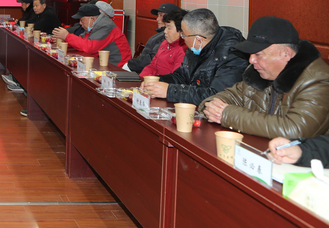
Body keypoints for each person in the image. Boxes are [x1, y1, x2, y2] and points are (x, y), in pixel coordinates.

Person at [200, 16, 329, 139]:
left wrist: (228, 115)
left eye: (258, 54)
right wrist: (212, 107)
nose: (251, 60)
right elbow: (225, 97)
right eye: (250, 54)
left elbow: (295, 129)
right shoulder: (257, 74)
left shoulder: (318, 81)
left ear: (286, 53)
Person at [143, 8, 246, 105]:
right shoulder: (196, 46)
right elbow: (182, 76)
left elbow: (217, 96)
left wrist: (170, 91)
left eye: (184, 35)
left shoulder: (233, 55)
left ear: (199, 39)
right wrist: (157, 81)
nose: (182, 38)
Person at [52, 4, 131, 66]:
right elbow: (83, 40)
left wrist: (67, 36)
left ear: (92, 19)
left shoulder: (106, 26)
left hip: (117, 66)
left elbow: (89, 47)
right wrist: (64, 41)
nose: (80, 23)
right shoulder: (93, 25)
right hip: (102, 63)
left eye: (82, 20)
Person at [127, 3, 181, 74]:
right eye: (158, 15)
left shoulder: (168, 39)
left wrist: (129, 64)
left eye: (161, 16)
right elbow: (152, 65)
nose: (157, 19)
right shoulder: (163, 41)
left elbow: (150, 59)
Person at [139, 9, 188, 77]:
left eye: (169, 28)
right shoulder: (164, 43)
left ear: (181, 31)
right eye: (165, 27)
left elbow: (176, 77)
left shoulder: (184, 49)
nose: (165, 31)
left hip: (165, 82)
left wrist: (155, 81)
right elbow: (152, 66)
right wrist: (142, 79)